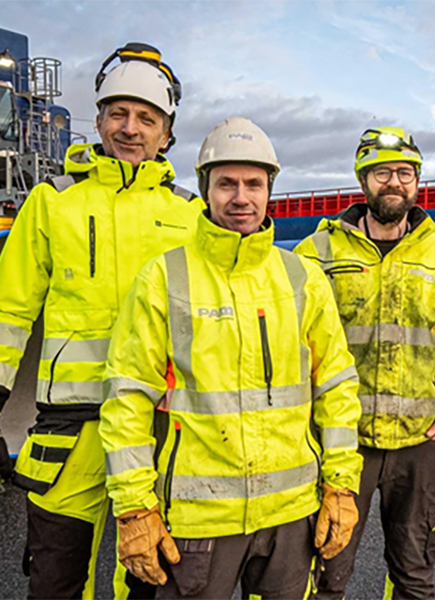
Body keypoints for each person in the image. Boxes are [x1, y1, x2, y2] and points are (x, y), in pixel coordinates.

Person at [99, 117, 363, 599]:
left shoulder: (301, 278)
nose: (241, 197)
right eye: (226, 183)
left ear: (269, 191)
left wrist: (342, 486)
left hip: (291, 516)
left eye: (253, 183)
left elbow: (337, 388)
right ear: (205, 190)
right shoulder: (165, 278)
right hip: (198, 522)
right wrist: (135, 510)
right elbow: (127, 400)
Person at [0, 43, 203, 599]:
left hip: (159, 426)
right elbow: (8, 309)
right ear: (98, 120)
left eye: (147, 117)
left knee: (149, 580)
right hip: (71, 427)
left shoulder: (191, 214)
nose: (130, 128)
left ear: (166, 132)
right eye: (119, 113)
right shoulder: (52, 202)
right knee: (57, 580)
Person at [295, 126, 435, 599]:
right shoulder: (315, 255)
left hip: (419, 440)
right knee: (325, 570)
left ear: (417, 181)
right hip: (340, 440)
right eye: (382, 172)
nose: (394, 182)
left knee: (415, 572)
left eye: (405, 172)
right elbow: (291, 344)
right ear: (363, 181)